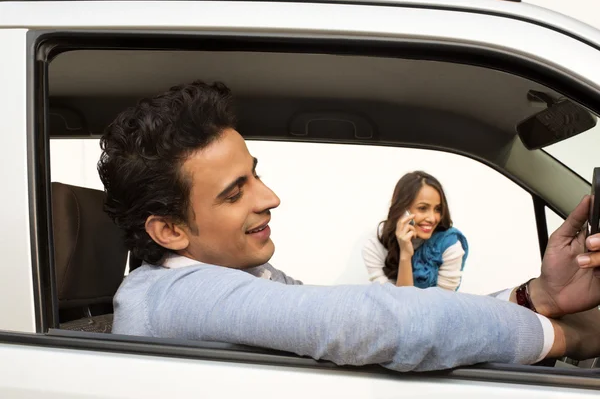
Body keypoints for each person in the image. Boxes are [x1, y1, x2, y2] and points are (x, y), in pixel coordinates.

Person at [98, 80, 600, 373]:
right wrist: (572, 337)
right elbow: (391, 324)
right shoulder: (172, 296)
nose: (270, 198)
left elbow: (402, 311)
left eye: (256, 174)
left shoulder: (231, 279)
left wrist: (539, 298)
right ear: (168, 231)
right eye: (235, 192)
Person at [362, 171, 468, 290]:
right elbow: (392, 303)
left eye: (438, 209)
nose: (432, 218)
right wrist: (405, 256)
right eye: (422, 208)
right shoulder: (375, 246)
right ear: (402, 211)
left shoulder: (450, 245)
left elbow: (443, 304)